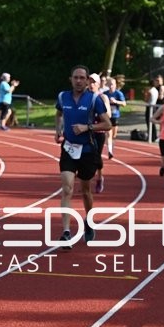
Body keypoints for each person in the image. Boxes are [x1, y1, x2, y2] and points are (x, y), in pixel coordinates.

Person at [54, 65, 111, 249]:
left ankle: (89, 220)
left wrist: (87, 127)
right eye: (75, 77)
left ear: (87, 81)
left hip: (87, 150)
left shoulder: (94, 99)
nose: (78, 81)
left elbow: (107, 124)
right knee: (67, 188)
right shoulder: (63, 97)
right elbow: (58, 113)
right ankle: (66, 232)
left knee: (85, 191)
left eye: (82, 78)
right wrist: (57, 131)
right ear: (70, 79)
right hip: (69, 149)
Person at [87, 73, 111, 194]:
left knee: (96, 156)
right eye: (89, 82)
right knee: (85, 155)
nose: (91, 85)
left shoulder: (103, 97)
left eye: (94, 82)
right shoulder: (84, 97)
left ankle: (99, 178)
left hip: (99, 131)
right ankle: (85, 179)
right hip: (86, 130)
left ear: (98, 84)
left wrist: (99, 112)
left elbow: (109, 116)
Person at [105, 76, 126, 160]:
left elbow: (124, 104)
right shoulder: (105, 94)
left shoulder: (118, 93)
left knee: (114, 135)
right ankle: (109, 151)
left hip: (115, 115)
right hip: (107, 116)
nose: (111, 86)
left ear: (115, 85)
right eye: (109, 84)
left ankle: (111, 148)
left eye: (112, 84)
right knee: (108, 134)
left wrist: (116, 101)